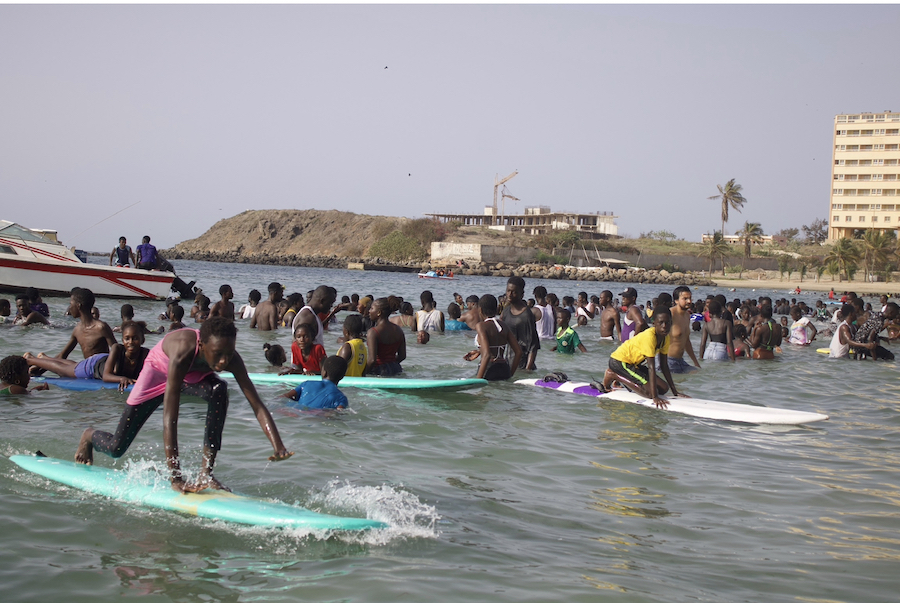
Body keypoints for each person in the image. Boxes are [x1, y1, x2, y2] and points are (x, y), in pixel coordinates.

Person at [74, 317, 293, 492]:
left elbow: (256, 404)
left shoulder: (231, 358)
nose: (224, 361)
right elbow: (170, 418)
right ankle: (89, 435)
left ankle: (206, 474)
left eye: (228, 354)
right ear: (201, 345)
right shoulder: (183, 353)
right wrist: (176, 477)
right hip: (157, 373)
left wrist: (278, 445)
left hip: (191, 376)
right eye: (218, 355)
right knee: (116, 449)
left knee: (219, 389)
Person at [25, 320, 151, 390]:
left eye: (135, 338)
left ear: (142, 340)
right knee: (64, 371)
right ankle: (31, 360)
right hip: (94, 366)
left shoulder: (146, 354)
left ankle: (44, 358)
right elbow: (107, 376)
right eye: (127, 338)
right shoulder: (117, 349)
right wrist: (122, 379)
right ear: (122, 340)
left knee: (74, 366)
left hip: (100, 362)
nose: (130, 342)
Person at [602, 307, 685, 408]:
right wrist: (654, 397)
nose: (664, 326)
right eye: (661, 323)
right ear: (654, 324)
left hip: (634, 364)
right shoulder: (650, 337)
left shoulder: (665, 338)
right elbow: (651, 368)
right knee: (649, 394)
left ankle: (624, 379)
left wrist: (675, 392)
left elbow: (664, 365)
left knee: (663, 388)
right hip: (620, 362)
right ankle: (614, 375)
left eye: (667, 323)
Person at [463, 294, 522, 381]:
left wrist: (477, 381)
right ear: (496, 309)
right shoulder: (503, 325)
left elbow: (487, 355)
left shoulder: (481, 326)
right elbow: (518, 352)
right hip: (504, 369)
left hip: (489, 368)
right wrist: (510, 373)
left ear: (480, 310)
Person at [281, 356, 349, 410]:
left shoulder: (306, 384)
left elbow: (284, 397)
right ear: (342, 377)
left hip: (298, 413)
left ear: (324, 372)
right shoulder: (341, 398)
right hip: (318, 418)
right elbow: (338, 413)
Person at [501, 277, 539, 371]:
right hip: (509, 362)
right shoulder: (506, 312)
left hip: (523, 365)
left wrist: (527, 370)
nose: (510, 294)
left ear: (521, 294)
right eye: (508, 291)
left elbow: (533, 346)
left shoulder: (526, 315)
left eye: (513, 292)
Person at [662, 286, 700, 373]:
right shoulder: (669, 315)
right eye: (685, 299)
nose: (689, 301)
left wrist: (696, 362)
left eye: (690, 298)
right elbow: (656, 336)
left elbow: (686, 341)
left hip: (680, 361)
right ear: (676, 300)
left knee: (697, 373)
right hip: (668, 361)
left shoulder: (687, 316)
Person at [367, 297, 406, 376]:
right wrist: (391, 364)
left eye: (371, 308)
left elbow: (372, 360)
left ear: (379, 313)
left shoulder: (373, 332)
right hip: (396, 368)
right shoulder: (399, 330)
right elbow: (402, 356)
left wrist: (363, 373)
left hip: (379, 370)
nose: (369, 311)